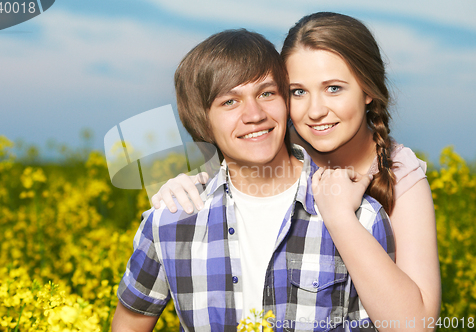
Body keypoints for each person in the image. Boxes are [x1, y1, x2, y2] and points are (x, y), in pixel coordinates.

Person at [152, 12, 441, 331]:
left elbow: (417, 325)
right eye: (298, 92)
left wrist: (339, 216)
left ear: (368, 89)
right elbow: (230, 181)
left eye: (333, 88)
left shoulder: (400, 174)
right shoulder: (270, 139)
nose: (315, 111)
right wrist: (186, 184)